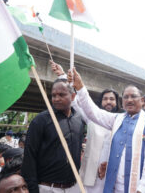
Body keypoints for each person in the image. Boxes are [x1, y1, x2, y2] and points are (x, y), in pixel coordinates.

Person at [69, 69, 145, 193]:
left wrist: (143, 189)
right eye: (126, 97)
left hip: (138, 188)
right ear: (122, 102)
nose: (129, 100)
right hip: (114, 187)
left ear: (141, 100)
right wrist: (80, 87)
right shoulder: (117, 119)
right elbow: (94, 112)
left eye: (133, 96)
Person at [50, 60, 123, 192]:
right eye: (105, 99)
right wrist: (62, 75)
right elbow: (76, 102)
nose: (108, 102)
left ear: (117, 103)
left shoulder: (122, 122)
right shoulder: (92, 118)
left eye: (112, 99)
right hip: (90, 176)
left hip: (113, 176)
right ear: (100, 102)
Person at [21, 79, 85, 193]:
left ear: (73, 96)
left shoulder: (79, 120)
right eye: (53, 95)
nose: (56, 99)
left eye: (61, 95)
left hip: (74, 187)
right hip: (47, 188)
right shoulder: (40, 120)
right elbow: (29, 157)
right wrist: (33, 189)